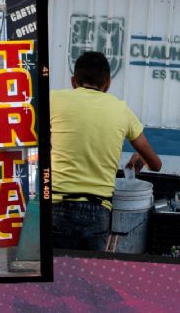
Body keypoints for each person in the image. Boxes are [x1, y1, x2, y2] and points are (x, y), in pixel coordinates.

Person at [50, 51, 162, 251]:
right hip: (98, 212)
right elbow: (156, 164)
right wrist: (140, 158)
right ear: (108, 84)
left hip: (57, 207)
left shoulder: (53, 100)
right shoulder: (122, 110)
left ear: (73, 81)